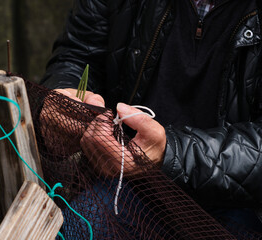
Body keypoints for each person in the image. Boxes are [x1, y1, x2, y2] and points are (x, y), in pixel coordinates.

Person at [41, 0, 262, 233]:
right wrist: (64, 95)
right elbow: (77, 54)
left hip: (242, 205)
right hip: (127, 184)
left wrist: (169, 152)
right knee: (74, 229)